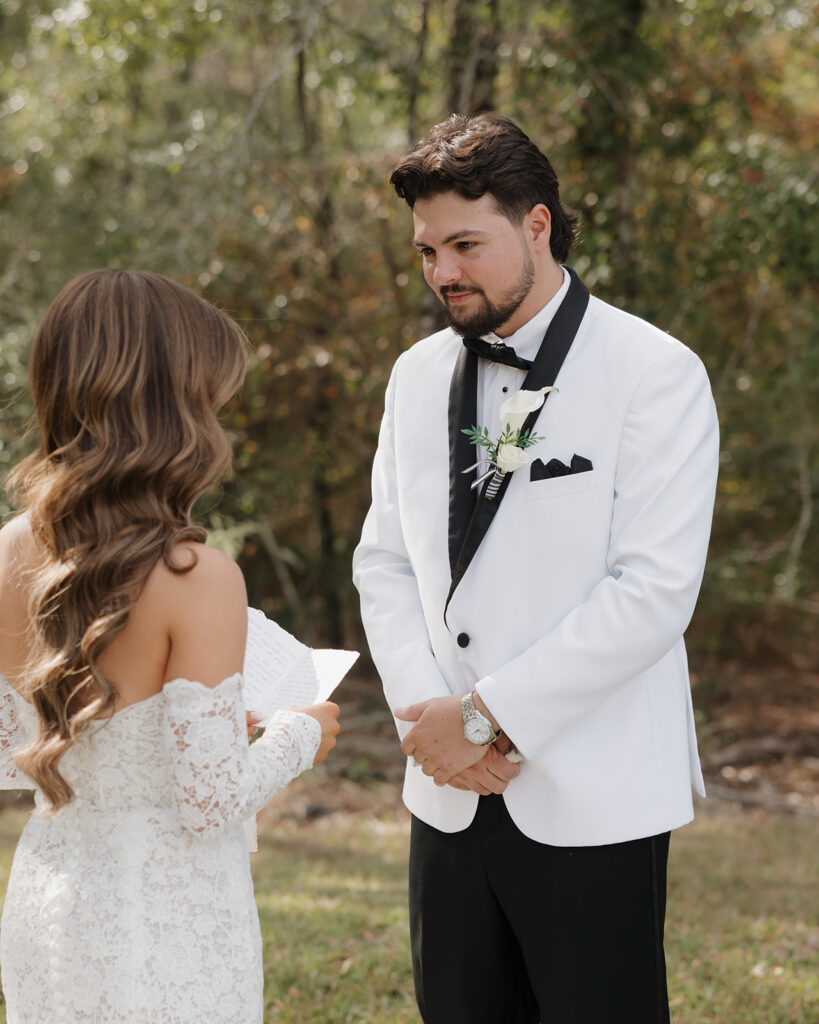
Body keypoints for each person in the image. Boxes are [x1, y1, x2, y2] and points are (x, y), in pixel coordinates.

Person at [353, 112, 719, 1023]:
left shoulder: (655, 371)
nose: (442, 272)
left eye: (464, 245)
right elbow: (385, 560)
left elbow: (653, 592)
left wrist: (486, 716)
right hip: (445, 795)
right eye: (426, 251)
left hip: (590, 792)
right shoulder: (412, 376)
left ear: (537, 224)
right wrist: (428, 721)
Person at [0, 269, 340, 1023]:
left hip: (50, 893)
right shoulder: (197, 575)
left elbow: (10, 747)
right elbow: (208, 800)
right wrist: (297, 734)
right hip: (168, 913)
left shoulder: (8, 553)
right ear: (171, 408)